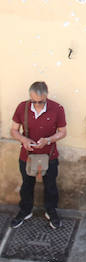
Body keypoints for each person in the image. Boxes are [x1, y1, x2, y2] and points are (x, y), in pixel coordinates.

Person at [9, 81, 67, 229]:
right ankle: (25, 210)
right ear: (30, 97)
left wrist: (48, 140)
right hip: (27, 156)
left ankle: (51, 211)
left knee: (51, 186)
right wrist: (24, 139)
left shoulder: (57, 108)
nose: (37, 105)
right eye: (33, 101)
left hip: (50, 155)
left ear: (46, 96)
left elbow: (62, 132)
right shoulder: (23, 107)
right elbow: (14, 130)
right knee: (27, 185)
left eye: (40, 102)